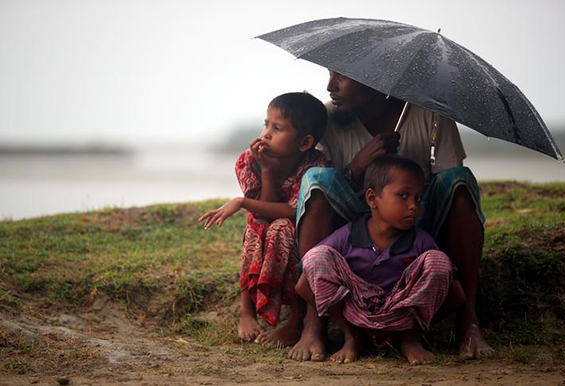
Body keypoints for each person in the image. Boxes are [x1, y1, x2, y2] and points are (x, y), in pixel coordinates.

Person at [289, 71, 492, 361]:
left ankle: (467, 320)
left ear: (377, 80)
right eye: (330, 75)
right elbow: (329, 193)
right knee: (316, 178)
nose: (330, 86)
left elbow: (446, 188)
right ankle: (314, 323)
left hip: (414, 224)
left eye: (342, 77)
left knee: (460, 179)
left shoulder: (429, 113)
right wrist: (356, 170)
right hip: (354, 222)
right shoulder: (330, 117)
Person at [296, 155, 455, 365]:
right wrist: (348, 325)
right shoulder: (348, 234)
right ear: (372, 199)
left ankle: (410, 340)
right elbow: (304, 284)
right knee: (317, 257)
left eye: (418, 197)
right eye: (403, 195)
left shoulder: (420, 241)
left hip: (402, 315)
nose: (413, 206)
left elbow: (456, 294)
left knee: (438, 262)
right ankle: (353, 338)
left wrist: (410, 328)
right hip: (353, 314)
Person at [198, 92, 329, 345]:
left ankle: (296, 318)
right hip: (263, 225)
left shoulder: (315, 166)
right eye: (266, 123)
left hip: (299, 231)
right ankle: (246, 311)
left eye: (277, 128)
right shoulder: (250, 161)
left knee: (281, 228)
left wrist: (241, 201)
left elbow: (293, 210)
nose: (266, 133)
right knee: (257, 226)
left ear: (304, 142)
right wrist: (266, 169)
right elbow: (261, 210)